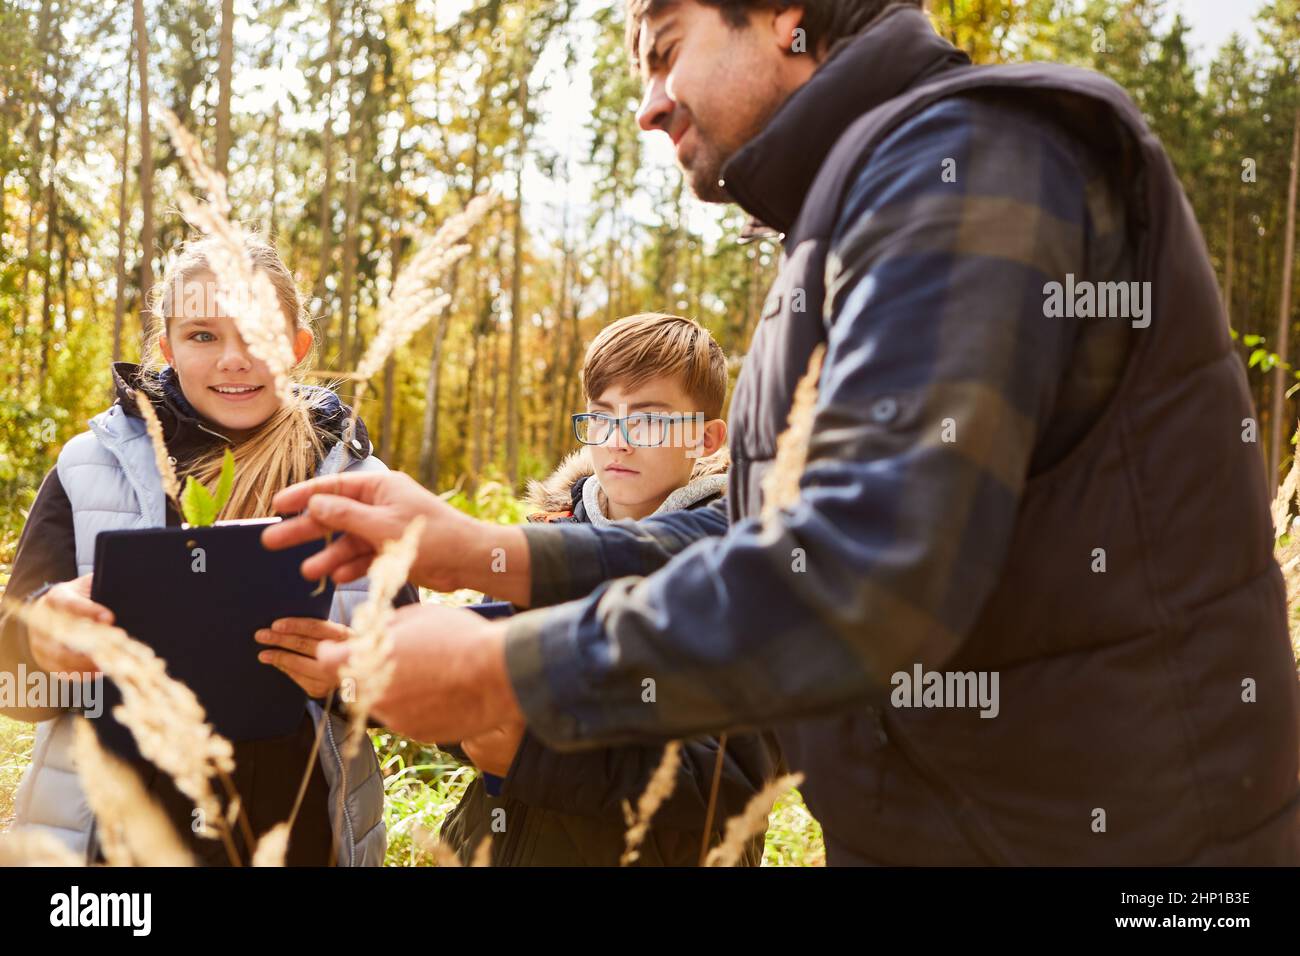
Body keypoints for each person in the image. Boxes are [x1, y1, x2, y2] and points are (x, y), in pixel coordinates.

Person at [264, 1, 1300, 864]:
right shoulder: (858, 212)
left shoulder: (971, 158)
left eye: (665, 48)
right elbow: (752, 546)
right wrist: (467, 543)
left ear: (784, 18)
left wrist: (503, 673)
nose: (647, 104)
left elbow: (862, 570)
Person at [0, 236, 406, 866]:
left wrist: (353, 680)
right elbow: (11, 687)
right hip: (110, 846)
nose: (234, 360)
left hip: (298, 838)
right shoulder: (89, 469)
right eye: (203, 336)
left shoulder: (357, 483)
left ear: (298, 347)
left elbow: (415, 679)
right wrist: (43, 642)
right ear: (167, 349)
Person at [440, 312, 782, 865]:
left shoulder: (740, 567)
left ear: (706, 436)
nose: (617, 443)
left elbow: (736, 779)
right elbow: (465, 700)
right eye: (602, 417)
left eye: (648, 420)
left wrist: (531, 755)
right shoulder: (542, 541)